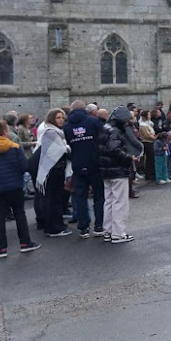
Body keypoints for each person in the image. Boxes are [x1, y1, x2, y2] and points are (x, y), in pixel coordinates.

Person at [0, 121, 40, 258]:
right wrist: (17, 177)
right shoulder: (14, 147)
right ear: (5, 132)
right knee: (19, 214)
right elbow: (24, 166)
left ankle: (1, 248)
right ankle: (25, 243)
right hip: (15, 186)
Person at [63, 100, 106, 239]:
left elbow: (66, 145)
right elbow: (104, 138)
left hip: (77, 164)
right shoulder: (94, 122)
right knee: (98, 196)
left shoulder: (67, 126)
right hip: (95, 163)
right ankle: (99, 226)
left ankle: (84, 228)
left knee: (81, 197)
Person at [97, 106, 137, 243]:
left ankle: (108, 231)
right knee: (120, 202)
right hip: (117, 169)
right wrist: (128, 157)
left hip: (105, 169)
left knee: (109, 201)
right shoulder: (115, 131)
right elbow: (113, 149)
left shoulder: (105, 128)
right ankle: (118, 233)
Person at [36, 108, 73, 238]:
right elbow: (58, 150)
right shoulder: (50, 132)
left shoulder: (57, 131)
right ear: (52, 118)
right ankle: (54, 228)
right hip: (53, 170)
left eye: (62, 117)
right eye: (58, 117)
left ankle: (56, 225)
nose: (61, 120)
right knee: (53, 200)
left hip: (57, 169)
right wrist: (67, 148)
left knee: (56, 199)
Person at [138, 110, 156, 181]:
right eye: (148, 115)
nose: (150, 116)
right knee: (150, 159)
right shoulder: (143, 125)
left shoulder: (148, 124)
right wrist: (155, 138)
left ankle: (152, 173)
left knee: (151, 158)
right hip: (147, 142)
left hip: (151, 142)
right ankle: (149, 174)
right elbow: (147, 135)